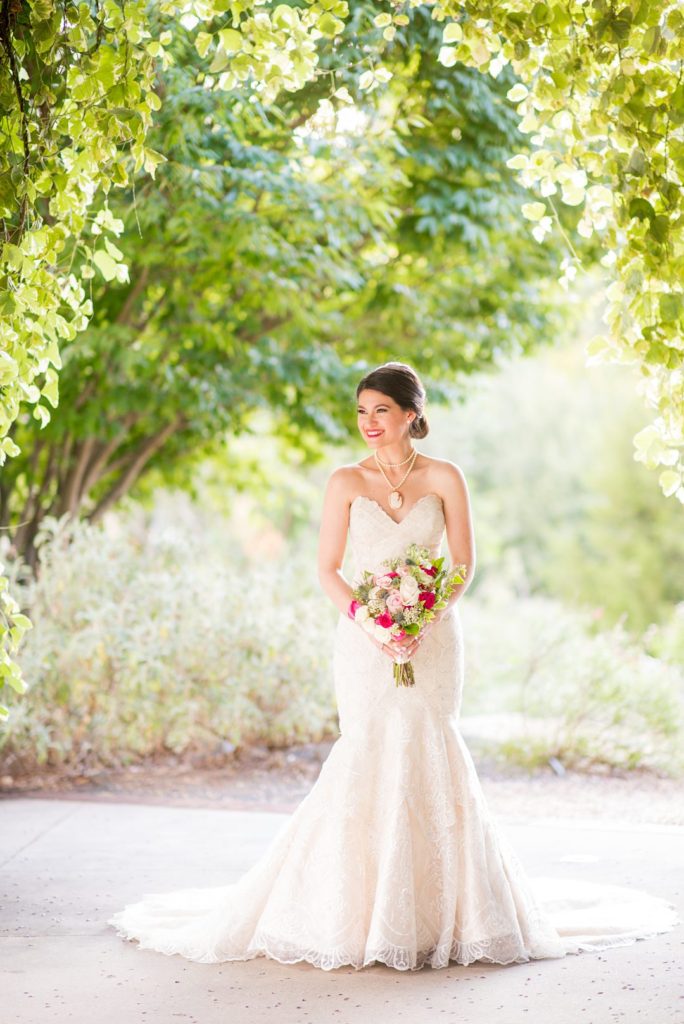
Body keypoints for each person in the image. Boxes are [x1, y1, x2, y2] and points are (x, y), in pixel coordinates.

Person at [107, 360, 679, 970]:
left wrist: (424, 619)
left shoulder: (445, 477)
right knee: (369, 750)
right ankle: (357, 914)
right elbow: (327, 570)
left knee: (432, 746)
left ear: (412, 413)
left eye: (381, 410)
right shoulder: (344, 482)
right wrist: (374, 624)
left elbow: (462, 565)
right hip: (362, 642)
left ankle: (446, 917)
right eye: (361, 411)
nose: (369, 423)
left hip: (434, 641)